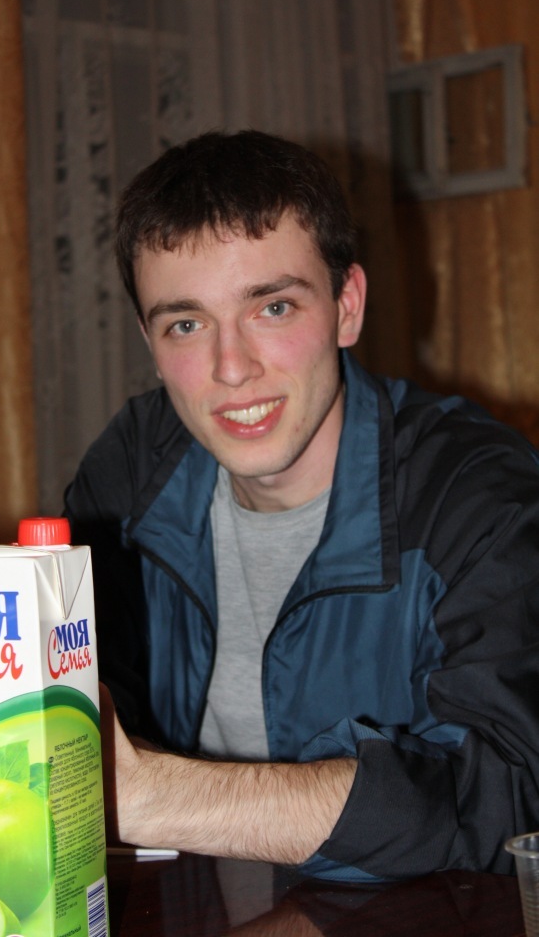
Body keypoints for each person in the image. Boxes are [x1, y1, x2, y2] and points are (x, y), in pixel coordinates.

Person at [64, 129, 539, 882]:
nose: (231, 368)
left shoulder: (477, 496)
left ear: (346, 307)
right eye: (186, 324)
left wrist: (153, 795)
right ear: (150, 344)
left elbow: (511, 802)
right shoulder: (134, 467)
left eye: (274, 307)